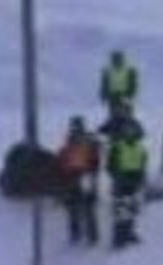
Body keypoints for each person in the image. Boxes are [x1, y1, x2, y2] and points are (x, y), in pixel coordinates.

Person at [57, 116, 101, 245]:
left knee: (87, 208)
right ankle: (76, 234)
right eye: (73, 127)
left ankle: (91, 235)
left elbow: (95, 161)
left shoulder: (88, 143)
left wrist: (92, 175)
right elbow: (63, 161)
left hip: (84, 177)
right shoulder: (69, 143)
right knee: (73, 209)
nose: (75, 129)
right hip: (72, 178)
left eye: (77, 126)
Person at [107, 127, 149, 249]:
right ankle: (118, 238)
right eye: (127, 132)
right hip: (121, 183)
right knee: (121, 211)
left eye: (132, 132)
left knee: (133, 209)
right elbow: (110, 166)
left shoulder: (141, 148)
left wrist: (141, 179)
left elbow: (143, 164)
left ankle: (129, 232)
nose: (129, 134)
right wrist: (118, 178)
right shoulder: (117, 147)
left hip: (134, 183)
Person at [100, 50, 139, 118]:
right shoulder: (108, 71)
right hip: (113, 97)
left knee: (126, 115)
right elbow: (104, 85)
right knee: (114, 115)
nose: (117, 61)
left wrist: (130, 95)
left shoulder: (129, 70)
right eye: (115, 59)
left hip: (125, 96)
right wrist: (104, 96)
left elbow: (133, 85)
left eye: (118, 59)